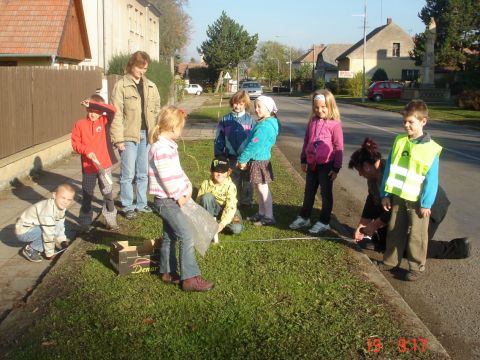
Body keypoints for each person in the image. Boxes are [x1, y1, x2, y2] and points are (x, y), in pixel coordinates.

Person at [348, 137, 470, 259]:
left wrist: (374, 225)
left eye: (359, 170)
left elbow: (395, 207)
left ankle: (458, 248)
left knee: (412, 247)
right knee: (391, 239)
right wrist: (362, 225)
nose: (360, 174)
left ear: (366, 166)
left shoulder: (392, 172)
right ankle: (383, 242)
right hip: (410, 207)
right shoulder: (373, 178)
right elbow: (373, 201)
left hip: (430, 206)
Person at [148, 106, 214, 292]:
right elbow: (167, 178)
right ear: (173, 127)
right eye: (181, 127)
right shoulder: (161, 149)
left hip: (169, 200)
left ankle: (168, 272)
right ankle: (190, 278)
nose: (181, 131)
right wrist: (180, 195)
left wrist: (187, 185)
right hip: (168, 201)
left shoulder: (166, 146)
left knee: (170, 236)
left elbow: (177, 172)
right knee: (186, 235)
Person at [379, 100, 443, 281]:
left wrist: (426, 203)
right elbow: (389, 169)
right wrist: (385, 194)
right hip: (398, 196)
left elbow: (432, 179)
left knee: (417, 235)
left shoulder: (431, 149)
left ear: (423, 121)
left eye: (411, 122)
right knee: (394, 230)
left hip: (418, 200)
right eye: (404, 122)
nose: (406, 125)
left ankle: (416, 267)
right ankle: (390, 261)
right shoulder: (399, 141)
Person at [110, 51, 161, 220]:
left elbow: (157, 110)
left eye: (145, 68)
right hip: (128, 136)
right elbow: (115, 115)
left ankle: (142, 203)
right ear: (132, 65)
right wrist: (118, 140)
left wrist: (157, 133)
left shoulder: (151, 86)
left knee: (143, 172)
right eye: (140, 68)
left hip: (147, 135)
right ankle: (127, 205)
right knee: (128, 174)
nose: (143, 71)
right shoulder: (121, 86)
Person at [289, 89, 344, 234]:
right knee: (309, 192)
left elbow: (339, 147)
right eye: (317, 107)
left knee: (326, 194)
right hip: (312, 164)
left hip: (327, 165)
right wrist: (303, 159)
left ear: (330, 106)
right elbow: (307, 141)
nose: (320, 110)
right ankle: (304, 217)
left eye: (323, 107)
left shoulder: (335, 125)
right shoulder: (312, 122)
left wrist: (336, 167)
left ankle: (324, 221)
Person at [71, 94, 118, 231]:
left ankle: (111, 219)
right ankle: (85, 222)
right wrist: (86, 151)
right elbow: (75, 144)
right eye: (90, 110)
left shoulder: (104, 121)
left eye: (95, 111)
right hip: (88, 167)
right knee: (87, 194)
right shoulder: (80, 124)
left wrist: (92, 104)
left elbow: (112, 109)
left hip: (104, 165)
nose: (92, 114)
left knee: (107, 193)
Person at [238, 95, 279, 226]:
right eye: (255, 106)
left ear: (268, 109)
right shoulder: (264, 122)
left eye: (259, 106)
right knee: (258, 188)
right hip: (258, 160)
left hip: (259, 161)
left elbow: (254, 145)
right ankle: (262, 213)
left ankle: (269, 216)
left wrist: (243, 159)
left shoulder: (264, 126)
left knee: (262, 188)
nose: (256, 109)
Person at [214, 90, 255, 208]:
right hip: (230, 157)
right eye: (236, 103)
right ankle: (233, 200)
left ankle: (246, 202)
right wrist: (219, 154)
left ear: (245, 105)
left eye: (241, 104)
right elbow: (219, 138)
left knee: (247, 180)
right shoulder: (225, 120)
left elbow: (254, 140)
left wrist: (252, 155)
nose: (238, 106)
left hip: (247, 157)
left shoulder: (250, 120)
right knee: (232, 180)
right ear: (232, 103)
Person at [16, 184, 75, 262]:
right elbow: (48, 233)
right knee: (49, 231)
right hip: (23, 232)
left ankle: (41, 246)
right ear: (54, 195)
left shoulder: (60, 207)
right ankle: (31, 249)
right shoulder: (48, 211)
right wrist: (49, 254)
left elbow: (60, 224)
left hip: (32, 227)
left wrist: (62, 240)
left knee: (55, 226)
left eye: (69, 200)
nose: (65, 202)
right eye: (63, 198)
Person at [197, 156, 243, 243]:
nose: (219, 174)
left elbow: (231, 206)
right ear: (211, 170)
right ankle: (209, 227)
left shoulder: (231, 186)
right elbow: (198, 203)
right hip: (212, 210)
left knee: (237, 228)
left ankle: (221, 224)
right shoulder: (205, 184)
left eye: (223, 171)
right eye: (216, 171)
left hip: (227, 209)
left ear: (228, 172)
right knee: (206, 197)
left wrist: (222, 224)